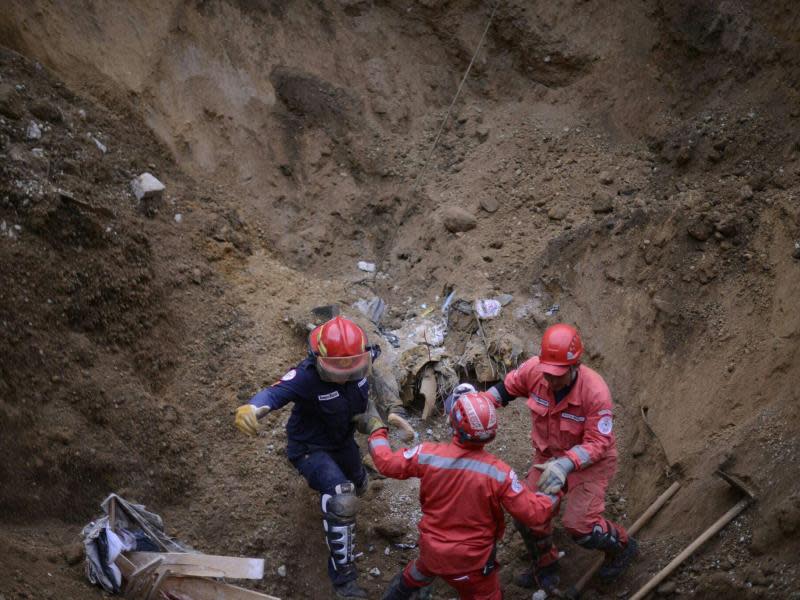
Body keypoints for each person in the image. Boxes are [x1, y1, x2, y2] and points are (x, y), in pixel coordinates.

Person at [234, 316, 379, 598]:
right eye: (338, 367)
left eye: (353, 364)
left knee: (360, 485)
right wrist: (252, 408)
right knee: (342, 494)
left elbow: (374, 392)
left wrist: (375, 419)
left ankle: (345, 499)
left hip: (343, 441)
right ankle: (344, 581)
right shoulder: (306, 376)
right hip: (310, 448)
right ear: (318, 358)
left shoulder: (360, 369)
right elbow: (274, 393)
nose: (346, 373)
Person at [366, 389, 559, 600]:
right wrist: (558, 488)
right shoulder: (499, 473)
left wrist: (377, 431)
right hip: (471, 564)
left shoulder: (427, 455)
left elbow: (386, 463)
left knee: (423, 568)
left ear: (454, 422)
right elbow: (535, 515)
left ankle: (401, 590)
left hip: (432, 552)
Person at [487, 323, 637, 591]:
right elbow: (505, 389)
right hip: (548, 456)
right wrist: (480, 403)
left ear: (575, 366)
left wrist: (566, 465)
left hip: (589, 464)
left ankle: (623, 547)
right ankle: (545, 565)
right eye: (548, 373)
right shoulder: (535, 370)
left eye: (558, 375)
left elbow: (598, 442)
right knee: (525, 512)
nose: (551, 380)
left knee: (580, 527)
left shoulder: (595, 392)